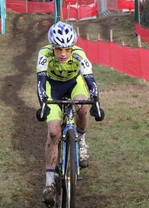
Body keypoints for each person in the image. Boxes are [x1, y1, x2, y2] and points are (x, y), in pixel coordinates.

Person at [36, 21, 105, 206]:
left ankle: (81, 143)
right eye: (59, 49)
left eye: (67, 49)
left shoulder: (79, 54)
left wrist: (96, 104)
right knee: (53, 132)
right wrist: (43, 105)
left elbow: (91, 81)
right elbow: (41, 84)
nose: (63, 54)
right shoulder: (44, 54)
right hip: (53, 88)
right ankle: (49, 184)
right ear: (52, 47)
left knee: (83, 106)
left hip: (74, 85)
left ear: (72, 47)